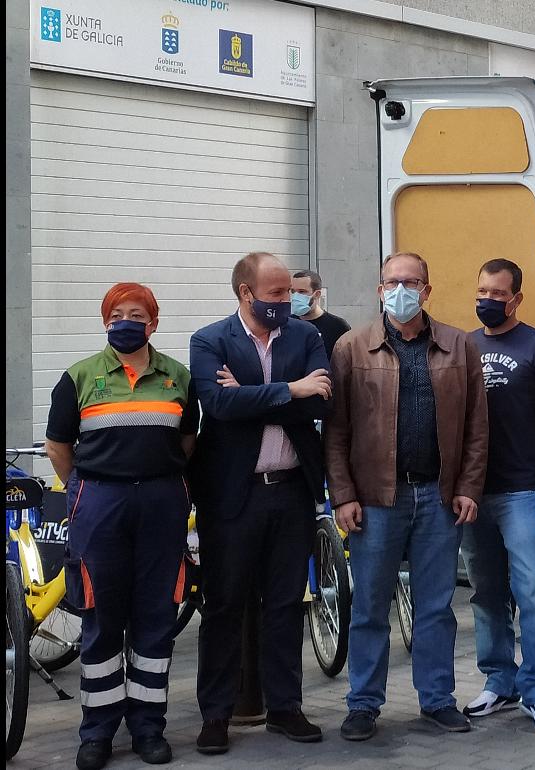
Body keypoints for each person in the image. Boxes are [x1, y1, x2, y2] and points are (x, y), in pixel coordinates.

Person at [326, 252, 488, 739]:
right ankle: (363, 704)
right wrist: (343, 495)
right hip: (376, 500)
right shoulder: (352, 347)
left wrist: (468, 487)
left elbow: (477, 427)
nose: (401, 290)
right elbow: (335, 431)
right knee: (369, 606)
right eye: (392, 282)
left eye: (411, 282)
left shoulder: (459, 346)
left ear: (427, 290)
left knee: (436, 607)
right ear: (380, 290)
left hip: (438, 497)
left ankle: (437, 699)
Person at [44, 283, 198, 770]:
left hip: (161, 502)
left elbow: (188, 441)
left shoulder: (178, 377)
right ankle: (98, 733)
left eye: (136, 314)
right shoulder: (79, 377)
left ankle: (149, 728)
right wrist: (87, 488)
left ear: (154, 323)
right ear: (104, 321)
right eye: (116, 314)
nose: (125, 322)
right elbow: (58, 448)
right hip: (100, 502)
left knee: (156, 617)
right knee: (101, 617)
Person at [188, 252, 333, 754]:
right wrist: (290, 389)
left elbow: (322, 400)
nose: (287, 300)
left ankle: (285, 708)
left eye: (289, 291)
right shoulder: (210, 340)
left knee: (287, 603)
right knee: (224, 605)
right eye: (276, 293)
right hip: (233, 495)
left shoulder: (306, 336)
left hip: (292, 491)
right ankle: (216, 714)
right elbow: (218, 406)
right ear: (246, 294)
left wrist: (253, 394)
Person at [459, 259, 535, 730]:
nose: (488, 300)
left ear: (516, 298)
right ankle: (499, 681)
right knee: (486, 594)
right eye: (482, 291)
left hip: (523, 489)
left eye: (498, 294)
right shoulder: (465, 346)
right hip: (474, 493)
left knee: (532, 592)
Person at [291, 269, 352, 355]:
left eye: (302, 291)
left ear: (317, 294)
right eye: (293, 291)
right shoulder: (286, 324)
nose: (296, 296)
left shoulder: (338, 326)